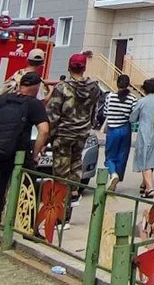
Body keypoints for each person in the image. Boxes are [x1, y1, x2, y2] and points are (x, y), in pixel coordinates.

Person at [0, 71, 50, 223]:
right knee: (28, 183)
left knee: (2, 177)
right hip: (19, 152)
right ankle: (28, 223)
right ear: (36, 88)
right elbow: (44, 130)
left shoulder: (2, 99)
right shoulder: (33, 103)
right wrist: (35, 153)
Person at [46, 53, 102, 207]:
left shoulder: (62, 87)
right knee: (76, 164)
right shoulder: (94, 88)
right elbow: (94, 112)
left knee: (60, 174)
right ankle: (73, 199)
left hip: (63, 134)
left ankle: (60, 212)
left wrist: (49, 136)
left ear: (69, 67)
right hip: (82, 133)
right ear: (84, 68)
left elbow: (53, 114)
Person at [103, 74, 137, 192]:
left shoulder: (110, 96)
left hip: (112, 130)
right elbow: (134, 115)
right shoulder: (132, 98)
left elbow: (105, 112)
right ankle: (117, 176)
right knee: (122, 155)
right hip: (125, 129)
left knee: (110, 156)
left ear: (117, 84)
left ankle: (113, 174)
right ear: (128, 84)